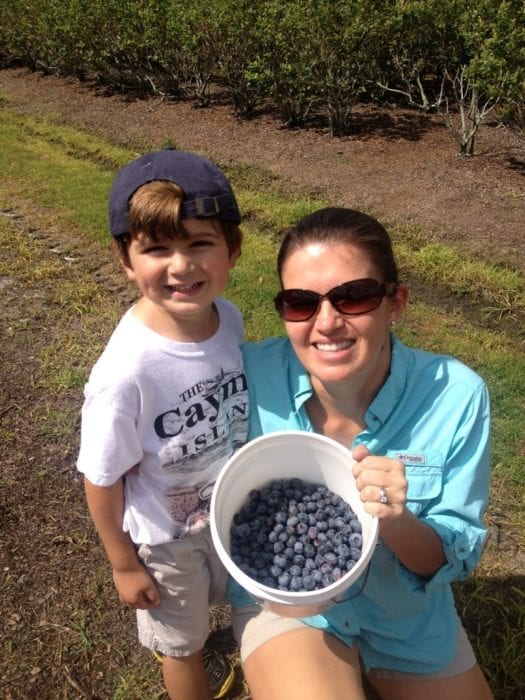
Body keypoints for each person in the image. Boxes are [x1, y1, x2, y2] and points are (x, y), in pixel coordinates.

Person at [229, 207, 494, 699]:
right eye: (301, 302)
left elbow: (451, 555)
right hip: (289, 605)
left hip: (406, 614)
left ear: (395, 303)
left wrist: (396, 522)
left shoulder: (456, 396)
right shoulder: (246, 377)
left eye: (353, 297)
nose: (327, 323)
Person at [76, 148, 249, 700]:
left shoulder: (231, 319)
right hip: (166, 539)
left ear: (233, 251)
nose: (181, 266)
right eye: (156, 249)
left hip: (228, 510)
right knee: (182, 643)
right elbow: (101, 476)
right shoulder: (127, 371)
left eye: (200, 243)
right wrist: (123, 564)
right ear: (126, 261)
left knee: (237, 599)